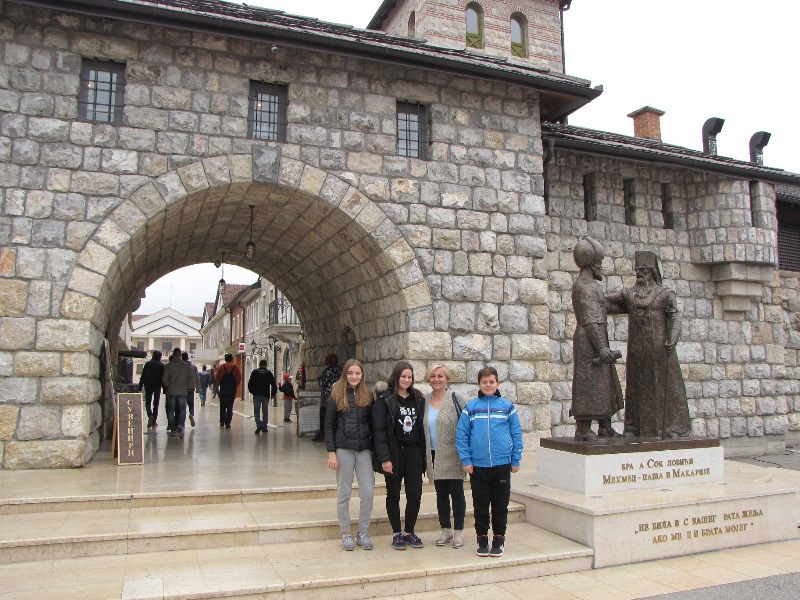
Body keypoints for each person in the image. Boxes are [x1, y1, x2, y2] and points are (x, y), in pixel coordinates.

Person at [606, 250, 691, 438]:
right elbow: (607, 301)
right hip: (637, 350)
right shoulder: (630, 295)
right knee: (636, 388)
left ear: (652, 272)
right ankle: (633, 428)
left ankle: (667, 428)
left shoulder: (665, 294)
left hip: (659, 350)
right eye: (637, 270)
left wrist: (672, 339)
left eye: (643, 270)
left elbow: (675, 318)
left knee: (662, 389)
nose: (639, 274)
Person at [456, 366, 523, 558]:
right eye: (484, 382)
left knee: (500, 505)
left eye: (491, 382)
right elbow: (462, 435)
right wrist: (466, 459)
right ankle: (482, 539)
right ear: (479, 384)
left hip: (502, 464)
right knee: (481, 505)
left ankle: (499, 539)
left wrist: (515, 458)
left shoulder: (507, 407)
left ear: (497, 383)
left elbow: (516, 433)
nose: (488, 385)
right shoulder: (471, 408)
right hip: (478, 466)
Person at [570, 236, 624, 441]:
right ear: (591, 263)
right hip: (589, 341)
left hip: (597, 338)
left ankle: (605, 426)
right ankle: (583, 429)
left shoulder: (592, 285)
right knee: (588, 384)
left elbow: (604, 306)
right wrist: (601, 347)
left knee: (604, 382)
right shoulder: (585, 286)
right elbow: (589, 320)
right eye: (599, 262)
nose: (601, 266)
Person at [372, 360, 426, 550]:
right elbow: (379, 431)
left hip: (413, 452)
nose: (406, 380)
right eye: (403, 376)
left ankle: (409, 531)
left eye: (409, 377)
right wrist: (385, 458)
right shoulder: (385, 399)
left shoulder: (418, 398)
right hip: (394, 451)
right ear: (396, 377)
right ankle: (396, 533)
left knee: (415, 494)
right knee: (393, 494)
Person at [324, 359, 375, 551]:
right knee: (344, 493)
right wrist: (331, 452)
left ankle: (363, 532)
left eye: (357, 373)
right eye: (350, 373)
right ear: (345, 374)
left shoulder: (368, 394)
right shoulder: (336, 395)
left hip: (363, 449)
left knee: (368, 492)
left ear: (362, 375)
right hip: (343, 448)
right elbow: (329, 425)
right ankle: (346, 533)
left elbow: (372, 423)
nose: (354, 376)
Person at [422, 364, 467, 549]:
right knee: (440, 494)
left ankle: (459, 532)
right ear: (428, 379)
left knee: (456, 493)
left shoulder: (456, 398)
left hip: (453, 453)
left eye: (440, 376)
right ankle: (445, 529)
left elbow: (467, 425)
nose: (436, 379)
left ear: (447, 378)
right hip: (433, 454)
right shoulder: (424, 400)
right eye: (433, 376)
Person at [162, 348, 195, 439]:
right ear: (180, 355)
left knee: (171, 410)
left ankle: (172, 429)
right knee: (182, 410)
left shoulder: (168, 365)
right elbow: (191, 379)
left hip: (171, 391)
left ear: (173, 354)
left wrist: (169, 385)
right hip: (183, 391)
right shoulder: (186, 366)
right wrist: (186, 386)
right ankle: (180, 425)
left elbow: (164, 379)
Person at [313, 353, 342, 442]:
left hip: (327, 396)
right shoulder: (340, 370)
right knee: (336, 416)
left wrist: (319, 379)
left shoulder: (328, 371)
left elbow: (323, 383)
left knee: (324, 415)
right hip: (338, 396)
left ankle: (322, 434)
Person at [248, 359, 277, 435]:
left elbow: (250, 383)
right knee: (265, 411)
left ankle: (259, 424)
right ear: (266, 365)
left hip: (256, 395)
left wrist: (252, 391)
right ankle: (264, 427)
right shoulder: (268, 373)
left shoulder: (255, 372)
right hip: (265, 395)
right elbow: (274, 384)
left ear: (259, 364)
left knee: (256, 411)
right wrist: (273, 394)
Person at [138, 350, 165, 429]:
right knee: (156, 404)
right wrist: (164, 388)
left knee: (148, 403)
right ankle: (154, 421)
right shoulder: (161, 365)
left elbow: (143, 375)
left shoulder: (147, 364)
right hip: (157, 386)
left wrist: (140, 386)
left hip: (148, 385)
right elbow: (163, 378)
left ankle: (150, 415)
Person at [215, 353, 241, 429]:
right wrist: (235, 385)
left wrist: (220, 384)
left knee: (222, 405)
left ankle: (222, 421)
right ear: (231, 359)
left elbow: (217, 377)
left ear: (225, 359)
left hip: (223, 388)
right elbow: (239, 378)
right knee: (230, 406)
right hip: (232, 388)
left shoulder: (221, 367)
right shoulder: (236, 367)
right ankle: (228, 423)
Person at [182, 352, 200, 428]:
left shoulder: (180, 366)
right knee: (191, 404)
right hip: (191, 388)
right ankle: (191, 415)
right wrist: (198, 388)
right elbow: (197, 378)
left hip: (182, 388)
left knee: (182, 405)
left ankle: (182, 421)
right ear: (188, 357)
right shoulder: (193, 367)